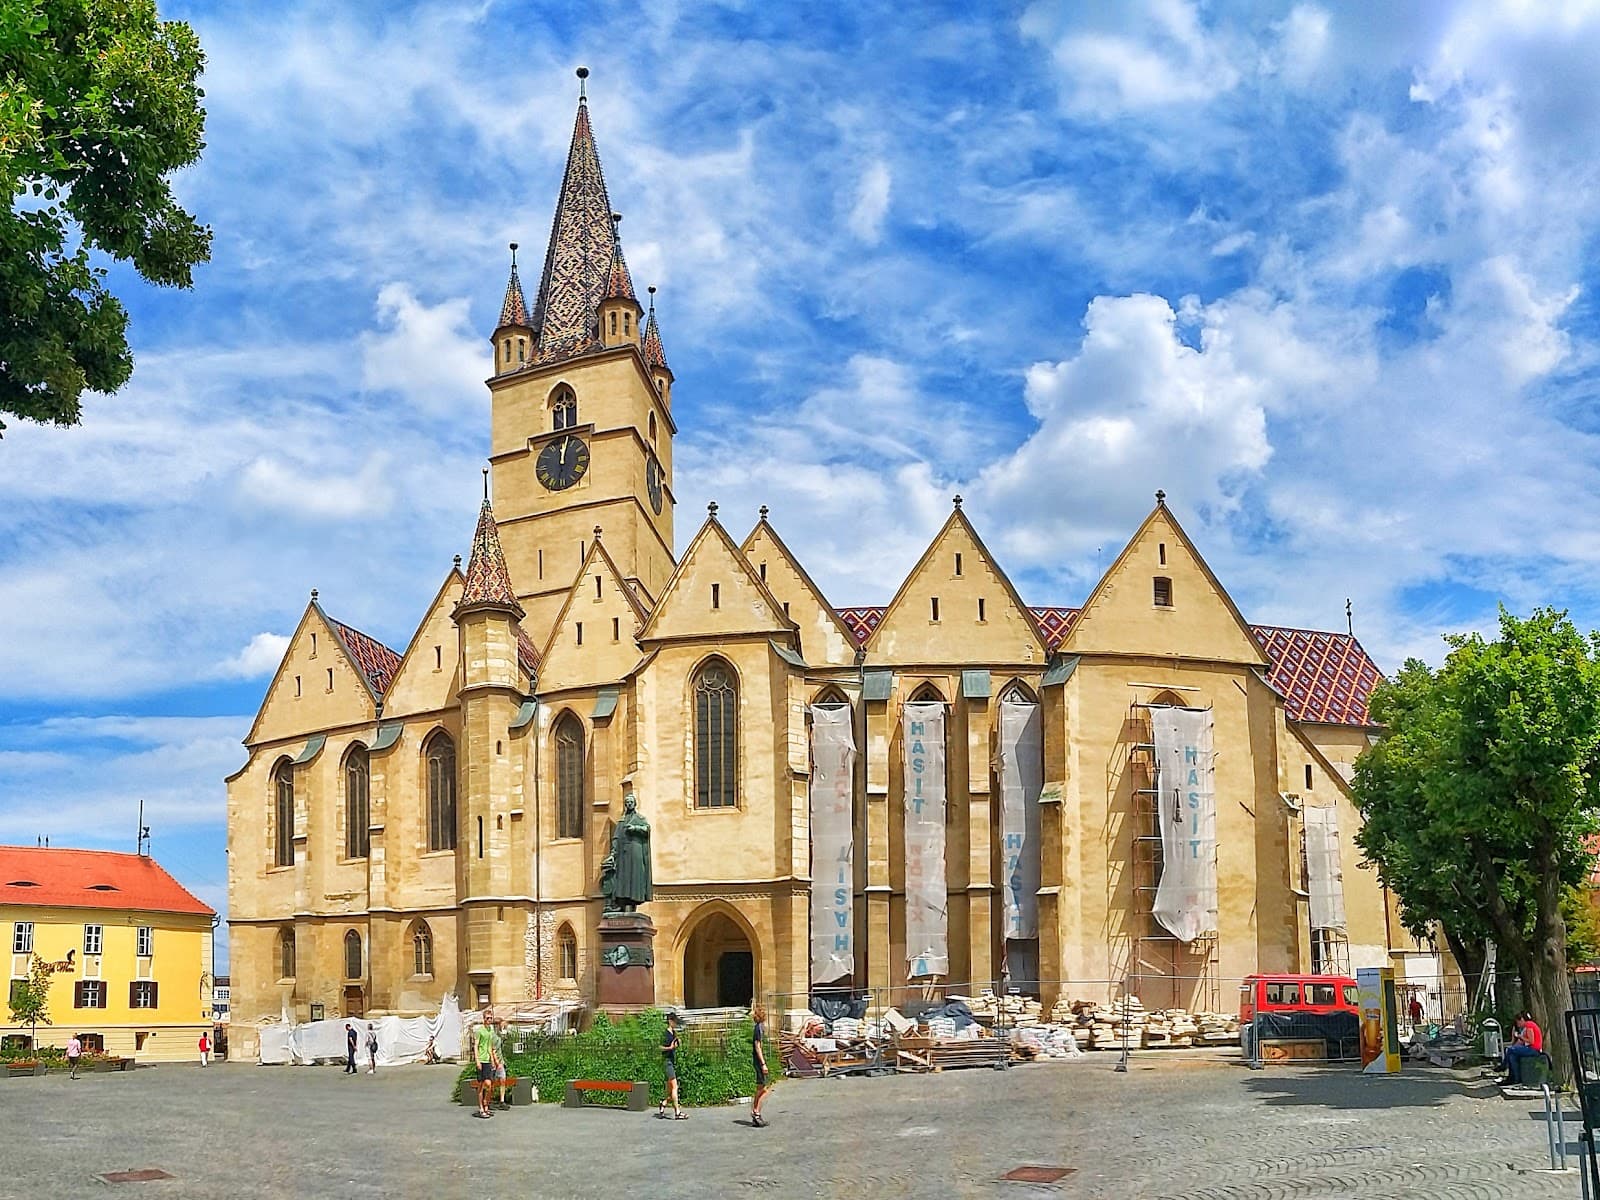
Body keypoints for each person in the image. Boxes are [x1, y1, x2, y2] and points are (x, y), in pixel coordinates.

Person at [1503, 1011, 1544, 1084]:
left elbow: (1531, 1041)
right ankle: (1515, 1078)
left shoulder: (1529, 1025)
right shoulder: (1525, 1028)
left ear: (1522, 1020)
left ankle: (1503, 1066)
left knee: (1510, 1050)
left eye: (1518, 1022)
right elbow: (1520, 1042)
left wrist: (1520, 1037)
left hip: (1534, 1049)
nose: (1518, 1024)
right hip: (1529, 1048)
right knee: (1512, 1056)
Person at [658, 1011, 686, 1120]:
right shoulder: (664, 1034)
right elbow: (658, 1047)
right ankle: (677, 1112)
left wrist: (678, 1042)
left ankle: (663, 1103)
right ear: (670, 1021)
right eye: (674, 1021)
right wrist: (669, 1048)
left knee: (671, 1091)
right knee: (675, 1087)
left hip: (671, 1061)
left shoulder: (673, 1033)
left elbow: (675, 1044)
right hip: (666, 1062)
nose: (675, 1024)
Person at [750, 1004, 772, 1128]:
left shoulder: (759, 1027)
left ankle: (756, 1113)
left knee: (762, 1087)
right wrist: (763, 1063)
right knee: (763, 1089)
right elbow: (757, 1046)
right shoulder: (758, 1028)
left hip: (759, 1061)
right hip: (759, 1062)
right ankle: (756, 1111)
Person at [471, 1016, 498, 1119]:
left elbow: (490, 1046)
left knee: (490, 1085)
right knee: (482, 1085)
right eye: (487, 1018)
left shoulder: (490, 1030)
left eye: (491, 1018)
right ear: (484, 1019)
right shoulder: (479, 1031)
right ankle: (481, 1107)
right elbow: (476, 1046)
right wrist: (477, 1060)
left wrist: (492, 1060)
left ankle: (486, 1104)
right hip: (481, 1060)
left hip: (487, 1060)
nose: (489, 1020)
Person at [492, 1015, 511, 1109]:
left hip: (500, 1062)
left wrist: (505, 1028)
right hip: (493, 1062)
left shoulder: (498, 1034)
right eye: (501, 1024)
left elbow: (505, 1037)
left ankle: (502, 1101)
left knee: (503, 1079)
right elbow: (493, 1050)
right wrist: (496, 1063)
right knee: (490, 1082)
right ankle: (487, 1100)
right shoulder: (493, 1036)